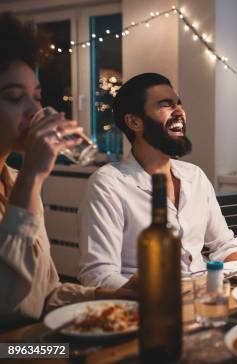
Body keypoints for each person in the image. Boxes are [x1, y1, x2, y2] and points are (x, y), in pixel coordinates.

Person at [0, 12, 136, 328]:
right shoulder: (27, 183)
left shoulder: (16, 181)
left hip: (32, 343)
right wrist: (34, 176)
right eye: (14, 97)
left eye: (36, 97)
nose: (34, 111)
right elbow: (7, 304)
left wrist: (108, 296)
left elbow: (42, 295)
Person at [78, 73, 237, 288]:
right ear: (134, 121)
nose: (180, 112)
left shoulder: (195, 176)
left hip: (205, 299)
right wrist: (159, 298)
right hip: (145, 307)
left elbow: (224, 245)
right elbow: (97, 275)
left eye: (179, 104)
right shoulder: (108, 184)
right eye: (166, 105)